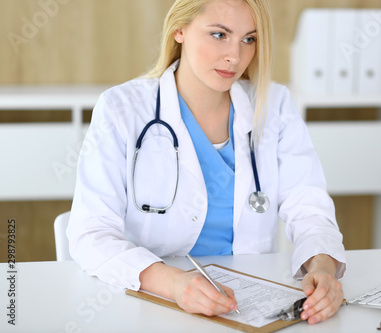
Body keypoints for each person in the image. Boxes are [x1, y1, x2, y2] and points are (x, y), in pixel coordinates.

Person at [67, 0, 346, 325]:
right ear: (179, 30)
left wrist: (323, 269)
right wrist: (174, 284)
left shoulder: (275, 107)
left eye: (249, 39)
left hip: (245, 306)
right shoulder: (122, 109)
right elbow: (91, 233)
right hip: (153, 305)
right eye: (219, 35)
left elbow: (308, 208)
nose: (235, 56)